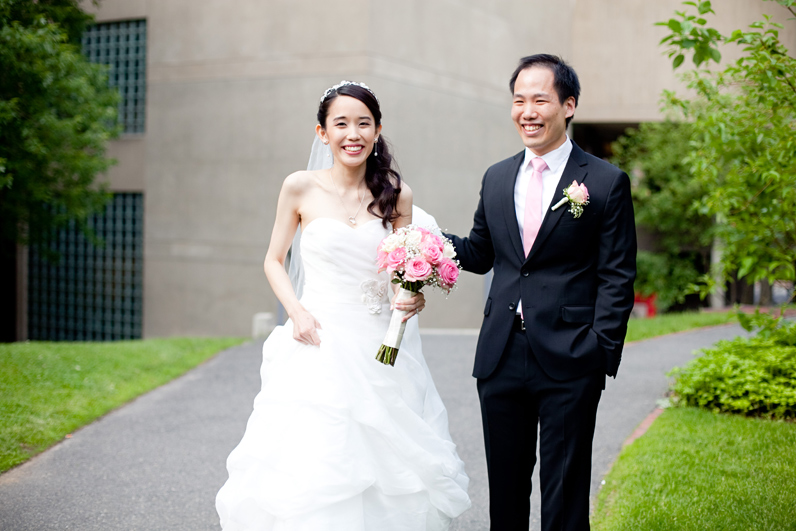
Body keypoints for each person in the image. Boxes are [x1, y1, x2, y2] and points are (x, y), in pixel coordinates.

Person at [216, 81, 470, 531]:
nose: (352, 134)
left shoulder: (397, 194)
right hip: (317, 339)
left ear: (376, 131)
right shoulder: (299, 187)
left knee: (391, 460)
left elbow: (400, 270)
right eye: (341, 124)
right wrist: (296, 312)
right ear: (322, 133)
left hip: (380, 346)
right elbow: (274, 260)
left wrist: (411, 295)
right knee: (319, 457)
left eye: (363, 124)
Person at [445, 54, 637, 531]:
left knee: (565, 492)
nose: (526, 111)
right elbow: (479, 252)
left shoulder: (606, 182)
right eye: (518, 100)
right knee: (505, 492)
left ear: (568, 105)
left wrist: (600, 350)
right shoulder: (496, 176)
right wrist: (419, 238)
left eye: (539, 100)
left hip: (571, 357)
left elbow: (617, 275)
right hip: (500, 354)